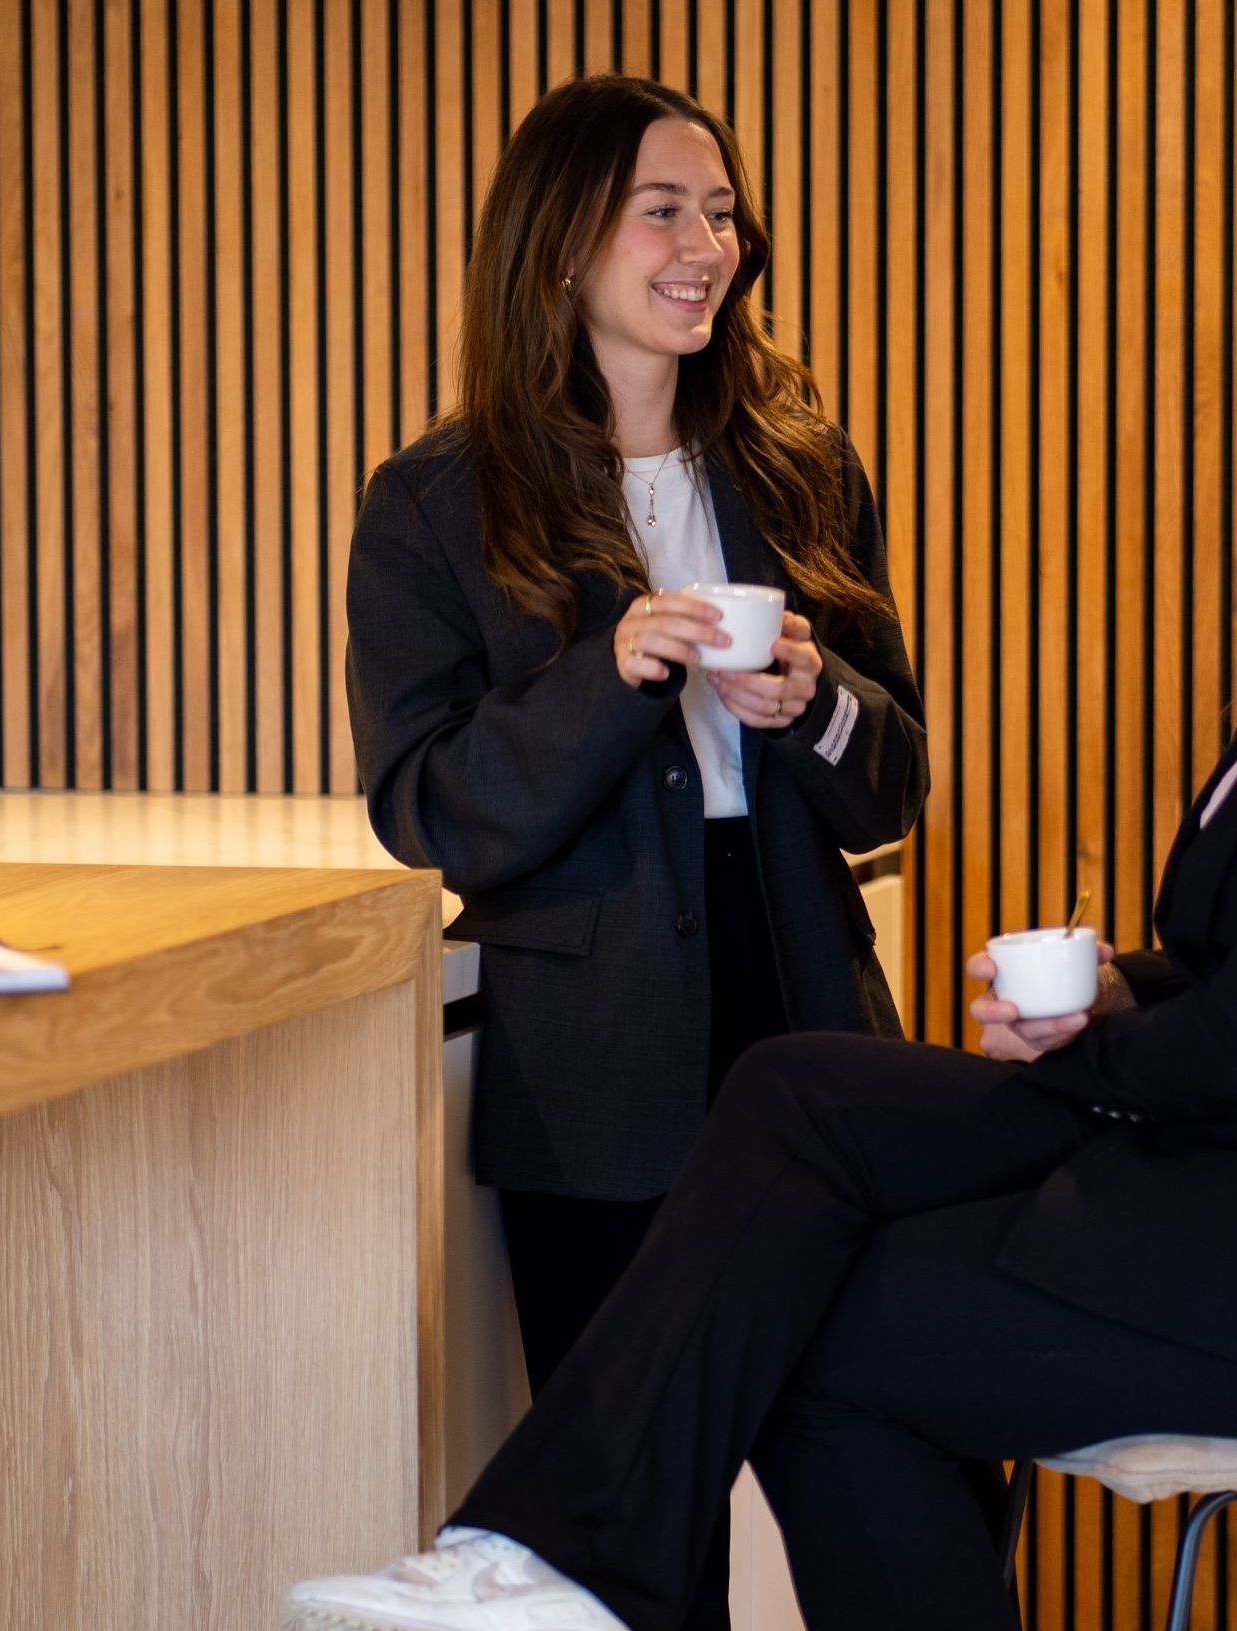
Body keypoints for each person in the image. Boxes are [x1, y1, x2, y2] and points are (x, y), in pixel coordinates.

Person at [289, 209, 1237, 1631]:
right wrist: (1116, 1002)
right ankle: (543, 1562)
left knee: (821, 1338)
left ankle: (546, 1563)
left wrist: (1079, 1050)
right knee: (798, 1091)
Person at [341, 73, 926, 1631]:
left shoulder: (806, 468)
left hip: (802, 1005)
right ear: (562, 245)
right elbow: (434, 806)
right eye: (663, 209)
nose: (706, 244)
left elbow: (897, 781)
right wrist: (608, 679)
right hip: (592, 1062)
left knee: (885, 1475)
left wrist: (814, 705)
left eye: (721, 211)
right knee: (638, 1545)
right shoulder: (436, 505)